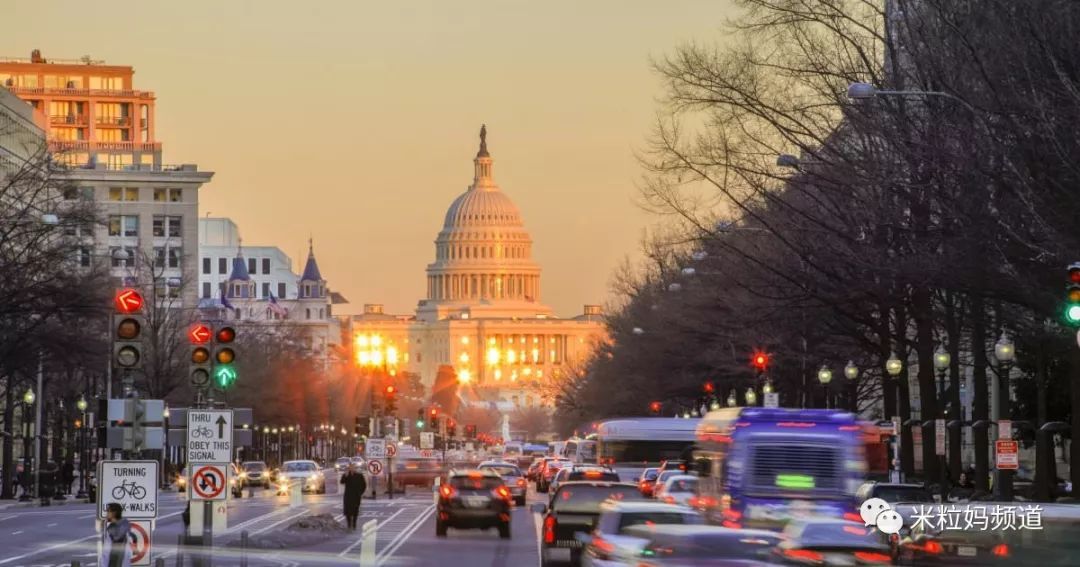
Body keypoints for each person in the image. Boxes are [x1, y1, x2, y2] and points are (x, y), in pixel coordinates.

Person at [98, 502, 133, 567]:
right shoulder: (121, 523)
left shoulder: (116, 526)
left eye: (108, 511)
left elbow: (117, 548)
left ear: (114, 513)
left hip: (115, 561)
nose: (107, 514)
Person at [340, 463, 367, 529]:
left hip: (356, 496)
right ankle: (349, 524)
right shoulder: (346, 475)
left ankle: (354, 523)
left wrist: (360, 493)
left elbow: (364, 485)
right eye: (350, 468)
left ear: (355, 468)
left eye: (352, 468)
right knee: (347, 511)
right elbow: (342, 482)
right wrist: (345, 476)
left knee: (355, 510)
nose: (351, 469)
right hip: (348, 496)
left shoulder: (359, 475)